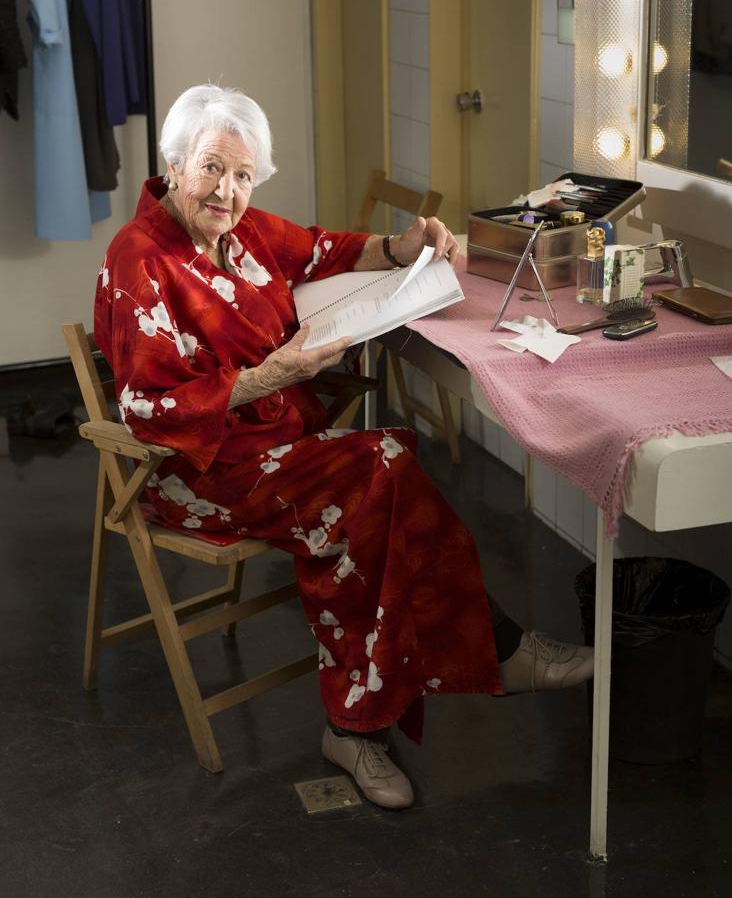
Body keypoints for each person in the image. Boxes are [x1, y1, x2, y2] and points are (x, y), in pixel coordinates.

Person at [94, 85, 593, 810]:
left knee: (369, 501)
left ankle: (360, 725)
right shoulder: (138, 259)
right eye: (211, 168)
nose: (227, 191)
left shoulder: (246, 231)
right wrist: (269, 375)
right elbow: (145, 408)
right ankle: (493, 654)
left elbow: (323, 247)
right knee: (378, 475)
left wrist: (401, 247)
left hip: (284, 452)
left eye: (242, 175)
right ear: (173, 164)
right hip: (197, 473)